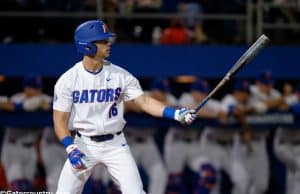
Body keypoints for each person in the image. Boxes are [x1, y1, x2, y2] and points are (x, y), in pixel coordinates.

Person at [53, 19, 196, 194]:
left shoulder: (120, 75)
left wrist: (175, 114)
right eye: (103, 41)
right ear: (87, 46)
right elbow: (59, 119)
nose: (109, 44)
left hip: (115, 144)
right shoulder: (68, 80)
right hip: (83, 144)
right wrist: (70, 146)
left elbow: (144, 102)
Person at [164, 79, 225, 194]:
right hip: (176, 142)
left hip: (194, 145)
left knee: (208, 174)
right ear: (193, 92)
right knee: (174, 183)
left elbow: (223, 112)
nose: (202, 95)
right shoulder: (186, 98)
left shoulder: (206, 102)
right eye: (200, 92)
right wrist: (212, 114)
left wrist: (218, 113)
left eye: (204, 93)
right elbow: (190, 111)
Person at [1, 76, 52, 191]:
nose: (36, 91)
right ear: (26, 88)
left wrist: (43, 103)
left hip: (30, 150)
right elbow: (8, 104)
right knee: (18, 187)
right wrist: (23, 106)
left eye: (38, 88)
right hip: (13, 148)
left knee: (28, 188)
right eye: (32, 88)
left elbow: (57, 104)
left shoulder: (42, 98)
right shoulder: (17, 98)